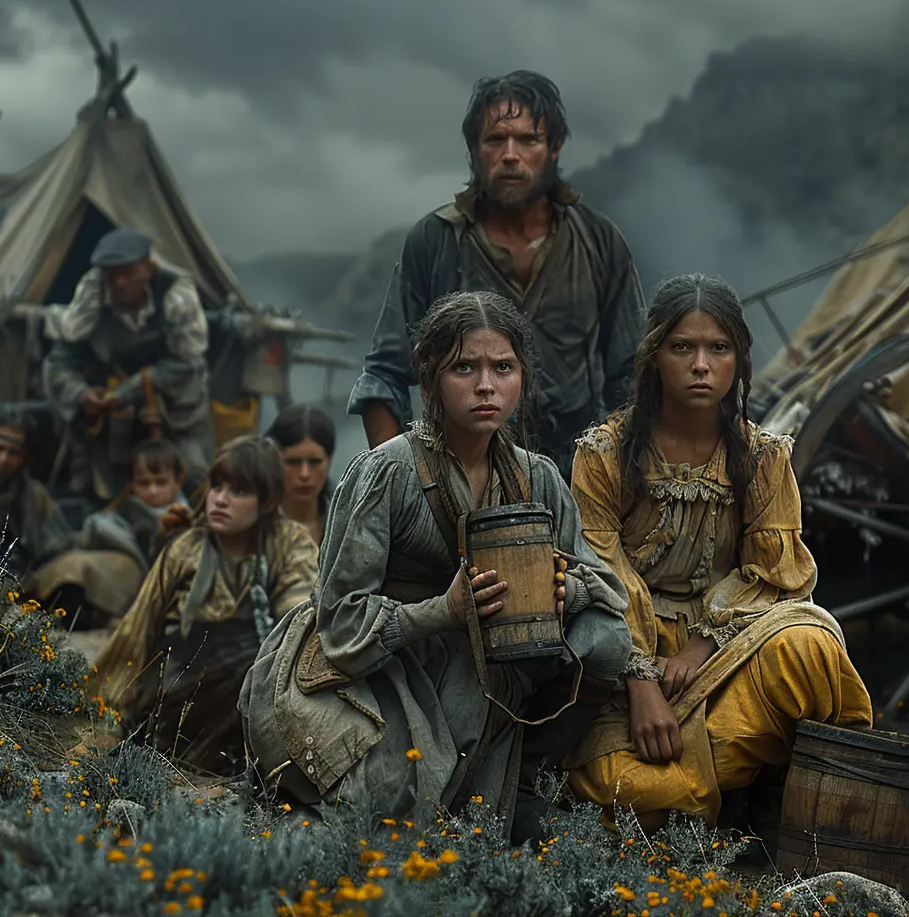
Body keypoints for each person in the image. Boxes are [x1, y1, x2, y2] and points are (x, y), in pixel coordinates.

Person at [240, 291, 632, 841]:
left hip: (490, 666)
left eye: (503, 368)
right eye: (464, 368)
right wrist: (442, 611)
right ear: (430, 374)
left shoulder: (537, 478)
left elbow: (606, 586)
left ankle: (528, 771)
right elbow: (341, 619)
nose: (485, 386)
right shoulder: (387, 473)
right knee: (389, 805)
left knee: (607, 636)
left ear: (522, 376)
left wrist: (568, 587)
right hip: (385, 665)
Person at [562, 274, 873, 831]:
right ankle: (735, 789)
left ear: (739, 360)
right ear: (655, 356)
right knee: (623, 785)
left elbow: (776, 575)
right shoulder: (604, 455)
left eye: (718, 348)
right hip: (624, 658)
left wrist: (698, 649)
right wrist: (641, 680)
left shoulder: (762, 458)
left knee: (812, 642)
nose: (700, 365)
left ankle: (768, 786)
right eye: (683, 347)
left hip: (726, 652)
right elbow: (598, 573)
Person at [347, 70, 646, 479]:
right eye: (495, 139)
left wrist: (611, 478)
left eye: (527, 139)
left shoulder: (599, 242)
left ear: (554, 146)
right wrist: (404, 487)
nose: (510, 154)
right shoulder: (435, 241)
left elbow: (631, 374)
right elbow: (384, 374)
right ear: (475, 148)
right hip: (458, 471)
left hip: (576, 471)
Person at [93, 436, 318, 773]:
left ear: (267, 500)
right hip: (183, 673)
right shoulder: (187, 548)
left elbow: (297, 611)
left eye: (239, 491)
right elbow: (138, 628)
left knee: (262, 666)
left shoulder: (289, 543)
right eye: (216, 487)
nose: (220, 500)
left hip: (257, 669)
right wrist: (111, 710)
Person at [42, 228, 212, 501]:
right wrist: (81, 394)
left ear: (148, 267)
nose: (120, 282)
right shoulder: (91, 299)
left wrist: (133, 388)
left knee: (193, 473)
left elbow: (188, 364)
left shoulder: (176, 296)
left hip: (175, 408)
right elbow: (59, 363)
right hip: (111, 417)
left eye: (128, 273)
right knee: (98, 484)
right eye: (113, 275)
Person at [0, 413, 146, 626]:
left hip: (25, 582)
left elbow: (58, 545)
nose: (2, 460)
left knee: (106, 566)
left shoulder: (31, 494)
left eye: (13, 453)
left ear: (24, 458)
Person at [265, 404, 335, 547]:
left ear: (329, 460)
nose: (305, 474)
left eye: (315, 462)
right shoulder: (254, 526)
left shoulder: (347, 523)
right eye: (293, 462)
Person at [113, 439, 190, 565]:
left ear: (177, 482)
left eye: (161, 482)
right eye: (143, 483)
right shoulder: (127, 518)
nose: (152, 491)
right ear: (131, 484)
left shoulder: (190, 512)